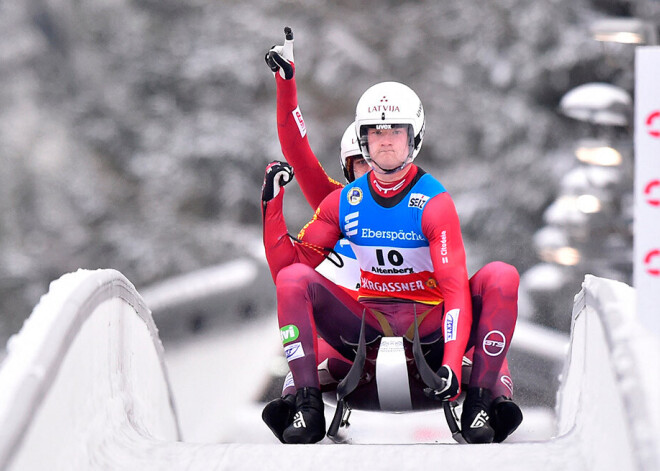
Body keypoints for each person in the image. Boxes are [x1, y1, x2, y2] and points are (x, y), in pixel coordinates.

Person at [261, 28, 522, 444]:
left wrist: (454, 363)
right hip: (358, 328)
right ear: (357, 156)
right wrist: (272, 209)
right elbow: (298, 158)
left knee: (499, 281)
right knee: (295, 286)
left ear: (410, 141)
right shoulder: (339, 201)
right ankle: (300, 400)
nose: (378, 158)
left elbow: (456, 288)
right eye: (366, 151)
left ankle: (488, 399)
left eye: (393, 137)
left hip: (426, 324)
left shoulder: (431, 200)